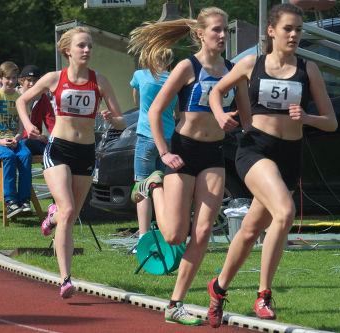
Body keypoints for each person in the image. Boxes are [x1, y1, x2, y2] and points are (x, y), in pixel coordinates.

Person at [206, 3, 337, 325]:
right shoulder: (252, 63)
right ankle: (264, 294)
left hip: (290, 155)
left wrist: (307, 118)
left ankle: (218, 287)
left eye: (298, 30)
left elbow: (331, 122)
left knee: (250, 231)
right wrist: (222, 114)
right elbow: (216, 92)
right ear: (271, 31)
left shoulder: (309, 69)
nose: (294, 35)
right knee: (285, 212)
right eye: (288, 29)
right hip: (254, 150)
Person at [129, 7, 250, 326]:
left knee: (204, 230)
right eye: (216, 30)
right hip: (183, 152)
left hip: (213, 155)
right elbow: (155, 112)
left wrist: (253, 130)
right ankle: (153, 186)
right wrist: (164, 151)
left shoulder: (233, 70)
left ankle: (175, 303)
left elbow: (247, 119)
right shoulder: (187, 67)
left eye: (225, 30)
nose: (223, 35)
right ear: (200, 34)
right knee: (172, 236)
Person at [16, 26, 126, 299]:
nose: (87, 50)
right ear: (67, 51)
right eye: (81, 46)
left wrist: (114, 120)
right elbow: (22, 100)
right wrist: (29, 124)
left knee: (71, 214)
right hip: (59, 149)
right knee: (67, 209)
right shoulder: (54, 78)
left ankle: (51, 217)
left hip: (86, 152)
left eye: (89, 46)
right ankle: (65, 279)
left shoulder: (100, 81)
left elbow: (122, 120)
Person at [128, 49, 177, 243]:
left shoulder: (140, 75)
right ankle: (166, 234)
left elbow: (136, 100)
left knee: (142, 189)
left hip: (147, 136)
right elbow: (177, 109)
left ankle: (144, 237)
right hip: (169, 139)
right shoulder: (174, 78)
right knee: (164, 188)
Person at [0, 61, 33, 219]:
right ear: (0, 79)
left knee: (26, 155)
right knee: (8, 156)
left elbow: (21, 127)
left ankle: (24, 200)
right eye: (7, 78)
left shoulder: (21, 98)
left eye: (13, 78)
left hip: (14, 140)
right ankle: (10, 201)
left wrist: (17, 139)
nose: (11, 81)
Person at [16, 65, 55, 155]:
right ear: (22, 81)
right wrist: (37, 137)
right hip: (17, 138)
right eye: (29, 80)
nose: (32, 84)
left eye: (35, 80)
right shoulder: (14, 96)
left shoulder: (43, 97)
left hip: (36, 140)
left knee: (56, 150)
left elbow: (50, 121)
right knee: (48, 153)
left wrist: (57, 139)